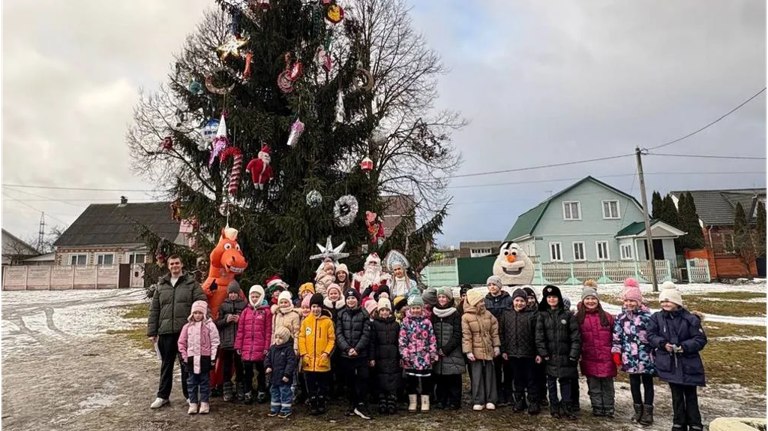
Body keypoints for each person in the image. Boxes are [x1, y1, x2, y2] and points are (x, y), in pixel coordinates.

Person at [147, 255, 206, 409]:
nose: (175, 266)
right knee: (166, 365)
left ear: (182, 264)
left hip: (185, 332)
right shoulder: (161, 285)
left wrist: (204, 323)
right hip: (165, 332)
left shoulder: (191, 283)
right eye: (172, 263)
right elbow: (155, 310)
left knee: (186, 365)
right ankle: (162, 396)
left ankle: (189, 396)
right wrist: (152, 331)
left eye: (177, 263)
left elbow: (201, 303)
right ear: (168, 266)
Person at [648, 282, 707, 431]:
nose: (665, 304)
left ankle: (695, 422)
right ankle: (679, 421)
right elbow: (651, 335)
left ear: (677, 302)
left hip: (688, 362)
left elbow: (700, 339)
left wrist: (684, 347)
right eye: (662, 301)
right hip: (669, 363)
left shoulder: (690, 319)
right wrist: (662, 344)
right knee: (676, 394)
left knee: (690, 394)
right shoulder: (657, 318)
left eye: (668, 300)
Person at [612, 278, 655, 425]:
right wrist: (616, 352)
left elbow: (653, 337)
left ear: (639, 301)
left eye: (632, 301)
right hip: (629, 357)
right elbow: (617, 336)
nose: (629, 304)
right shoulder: (621, 318)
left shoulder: (648, 317)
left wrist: (654, 353)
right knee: (634, 384)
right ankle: (638, 409)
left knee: (648, 383)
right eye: (626, 301)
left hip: (645, 357)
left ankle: (648, 411)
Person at [535, 285, 581, 420]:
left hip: (565, 356)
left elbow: (575, 336)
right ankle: (554, 407)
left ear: (559, 298)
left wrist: (573, 354)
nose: (552, 299)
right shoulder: (542, 316)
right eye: (549, 297)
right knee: (551, 383)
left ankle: (567, 406)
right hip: (550, 356)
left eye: (554, 297)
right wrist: (544, 353)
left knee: (566, 382)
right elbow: (539, 336)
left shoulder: (567, 315)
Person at [576, 286, 616, 418]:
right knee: (593, 384)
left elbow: (615, 335)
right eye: (587, 298)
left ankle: (609, 407)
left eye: (593, 298)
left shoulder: (607, 317)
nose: (590, 301)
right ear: (583, 301)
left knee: (607, 385)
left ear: (598, 300)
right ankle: (597, 406)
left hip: (606, 357)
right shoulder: (578, 318)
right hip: (589, 356)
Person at [498, 288, 540, 415]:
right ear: (513, 301)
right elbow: (502, 333)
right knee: (517, 379)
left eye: (522, 301)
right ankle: (519, 401)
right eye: (517, 300)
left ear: (526, 302)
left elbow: (537, 335)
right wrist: (504, 350)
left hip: (529, 353)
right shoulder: (506, 314)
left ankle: (533, 402)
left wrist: (538, 352)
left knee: (531, 379)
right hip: (512, 353)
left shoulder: (532, 314)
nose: (519, 303)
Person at [336, 288, 373, 419]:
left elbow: (366, 334)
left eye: (353, 298)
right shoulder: (341, 314)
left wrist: (357, 349)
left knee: (362, 379)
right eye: (348, 298)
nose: (351, 301)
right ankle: (352, 405)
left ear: (357, 300)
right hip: (346, 355)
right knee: (349, 381)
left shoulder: (364, 314)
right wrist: (347, 349)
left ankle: (361, 404)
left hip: (361, 354)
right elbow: (339, 333)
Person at [178, 300, 221, 414]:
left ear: (204, 313)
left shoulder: (210, 326)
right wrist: (184, 357)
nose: (198, 315)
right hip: (191, 359)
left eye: (200, 313)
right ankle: (193, 403)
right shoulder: (187, 327)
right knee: (191, 382)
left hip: (205, 358)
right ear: (192, 314)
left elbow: (215, 342)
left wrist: (213, 358)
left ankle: (204, 402)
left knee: (204, 382)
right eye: (195, 313)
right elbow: (181, 343)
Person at [399, 289, 439, 412]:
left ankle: (425, 401)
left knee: (426, 380)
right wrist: (405, 354)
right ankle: (413, 401)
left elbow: (432, 339)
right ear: (409, 309)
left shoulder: (427, 322)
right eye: (413, 308)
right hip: (410, 357)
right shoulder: (406, 322)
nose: (416, 310)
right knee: (412, 381)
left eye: (418, 308)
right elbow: (402, 339)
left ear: (422, 308)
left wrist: (432, 353)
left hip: (424, 356)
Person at [462, 288, 501, 411]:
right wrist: (468, 351)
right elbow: (466, 335)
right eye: (479, 301)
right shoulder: (466, 317)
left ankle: (491, 399)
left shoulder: (488, 314)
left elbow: (494, 332)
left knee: (490, 374)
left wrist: (496, 346)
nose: (482, 303)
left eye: (482, 301)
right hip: (475, 350)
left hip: (488, 348)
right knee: (476, 375)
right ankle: (478, 400)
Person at [234, 285, 272, 404]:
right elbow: (240, 330)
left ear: (261, 296)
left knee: (261, 372)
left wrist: (267, 347)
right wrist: (238, 346)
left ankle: (261, 391)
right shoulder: (246, 311)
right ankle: (248, 392)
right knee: (247, 373)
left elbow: (268, 331)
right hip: (247, 349)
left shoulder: (266, 311)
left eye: (257, 296)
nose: (254, 298)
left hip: (260, 349)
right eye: (252, 296)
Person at [299, 293, 336, 415]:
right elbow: (302, 338)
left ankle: (321, 401)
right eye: (313, 306)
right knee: (310, 384)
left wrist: (326, 352)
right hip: (309, 360)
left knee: (322, 384)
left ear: (322, 307)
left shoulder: (327, 322)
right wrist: (304, 353)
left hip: (322, 359)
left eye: (318, 306)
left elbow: (331, 339)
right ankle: (313, 402)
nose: (315, 309)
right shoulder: (306, 322)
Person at [430, 286, 464, 410]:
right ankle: (441, 400)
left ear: (449, 299)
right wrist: (436, 348)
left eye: (444, 297)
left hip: (452, 352)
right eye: (439, 297)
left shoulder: (455, 314)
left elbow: (457, 333)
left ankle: (454, 401)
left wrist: (446, 349)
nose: (442, 299)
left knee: (453, 378)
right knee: (440, 378)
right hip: (438, 351)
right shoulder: (434, 313)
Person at [484, 275, 514, 406]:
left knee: (508, 368)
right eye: (489, 285)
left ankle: (509, 394)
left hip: (507, 336)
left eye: (494, 284)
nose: (492, 287)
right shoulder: (486, 300)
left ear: (499, 286)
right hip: (492, 337)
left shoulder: (508, 299)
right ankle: (497, 394)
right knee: (495, 368)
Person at [216, 281, 247, 402]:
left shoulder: (244, 305)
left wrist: (240, 320)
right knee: (226, 366)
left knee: (240, 366)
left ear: (238, 293)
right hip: (227, 342)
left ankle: (240, 387)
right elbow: (217, 323)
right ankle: (227, 387)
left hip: (240, 342)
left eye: (235, 293)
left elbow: (248, 322)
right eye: (231, 293)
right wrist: (226, 320)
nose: (233, 295)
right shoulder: (223, 306)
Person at [369, 297, 401, 414]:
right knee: (380, 378)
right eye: (382, 310)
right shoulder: (374, 324)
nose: (384, 312)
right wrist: (372, 357)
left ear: (390, 311)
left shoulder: (396, 325)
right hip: (379, 356)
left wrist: (401, 356)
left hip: (393, 356)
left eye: (386, 310)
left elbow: (399, 342)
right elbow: (372, 342)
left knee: (393, 377)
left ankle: (392, 398)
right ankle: (382, 399)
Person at [265, 326, 298, 418]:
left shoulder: (288, 349)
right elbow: (267, 358)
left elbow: (291, 363)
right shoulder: (272, 348)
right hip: (274, 376)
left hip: (284, 377)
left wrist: (287, 374)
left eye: (280, 338)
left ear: (286, 339)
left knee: (285, 393)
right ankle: (274, 408)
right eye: (276, 337)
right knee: (274, 392)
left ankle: (286, 409)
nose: (278, 340)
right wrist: (268, 366)